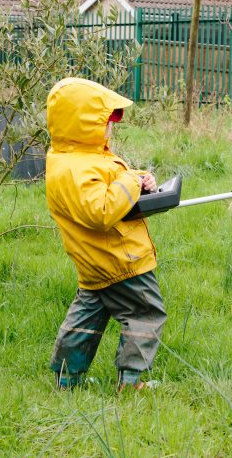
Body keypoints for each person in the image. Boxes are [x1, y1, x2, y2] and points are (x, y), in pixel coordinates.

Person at [45, 77, 166, 390]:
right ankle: (131, 381)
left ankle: (66, 378)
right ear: (82, 124)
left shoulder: (72, 160)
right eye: (106, 121)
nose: (111, 127)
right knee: (145, 314)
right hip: (120, 259)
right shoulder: (76, 169)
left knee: (87, 317)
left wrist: (138, 179)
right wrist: (129, 182)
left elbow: (112, 187)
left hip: (95, 261)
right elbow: (100, 211)